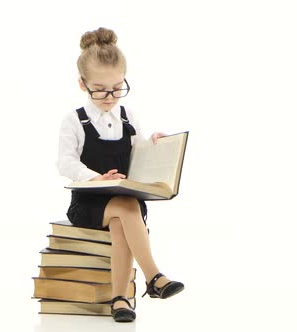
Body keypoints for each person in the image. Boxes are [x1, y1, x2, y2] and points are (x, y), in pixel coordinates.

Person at [56, 27, 184, 323]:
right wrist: (92, 177)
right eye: (100, 89)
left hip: (124, 203)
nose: (110, 96)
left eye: (117, 88)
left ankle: (120, 299)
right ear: (82, 84)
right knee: (126, 209)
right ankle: (154, 276)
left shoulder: (129, 117)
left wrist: (155, 144)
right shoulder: (74, 120)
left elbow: (139, 155)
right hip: (88, 205)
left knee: (122, 220)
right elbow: (64, 162)